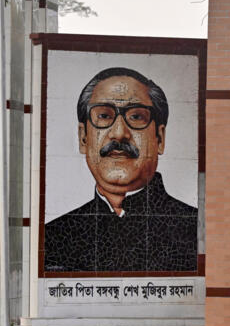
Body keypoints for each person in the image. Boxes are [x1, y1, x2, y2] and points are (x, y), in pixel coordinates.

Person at [45, 67, 197, 273]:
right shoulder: (54, 238)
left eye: (135, 117)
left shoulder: (194, 230)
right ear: (83, 138)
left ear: (159, 139)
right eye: (104, 116)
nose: (118, 133)